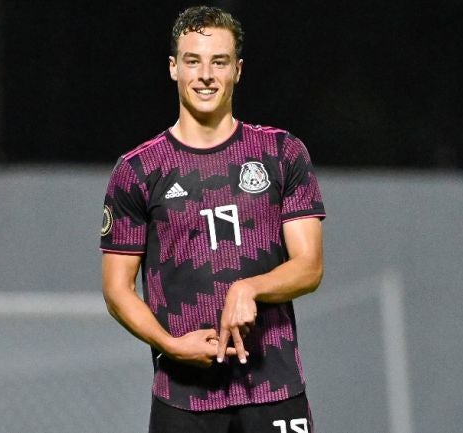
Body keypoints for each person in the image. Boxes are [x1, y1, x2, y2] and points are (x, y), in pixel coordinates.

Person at [100, 6, 325, 433]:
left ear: (237, 70)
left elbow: (309, 266)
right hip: (183, 397)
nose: (205, 74)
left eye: (218, 61)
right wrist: (171, 345)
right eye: (193, 61)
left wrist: (250, 288)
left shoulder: (280, 153)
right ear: (173, 69)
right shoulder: (139, 170)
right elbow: (116, 289)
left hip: (274, 387)